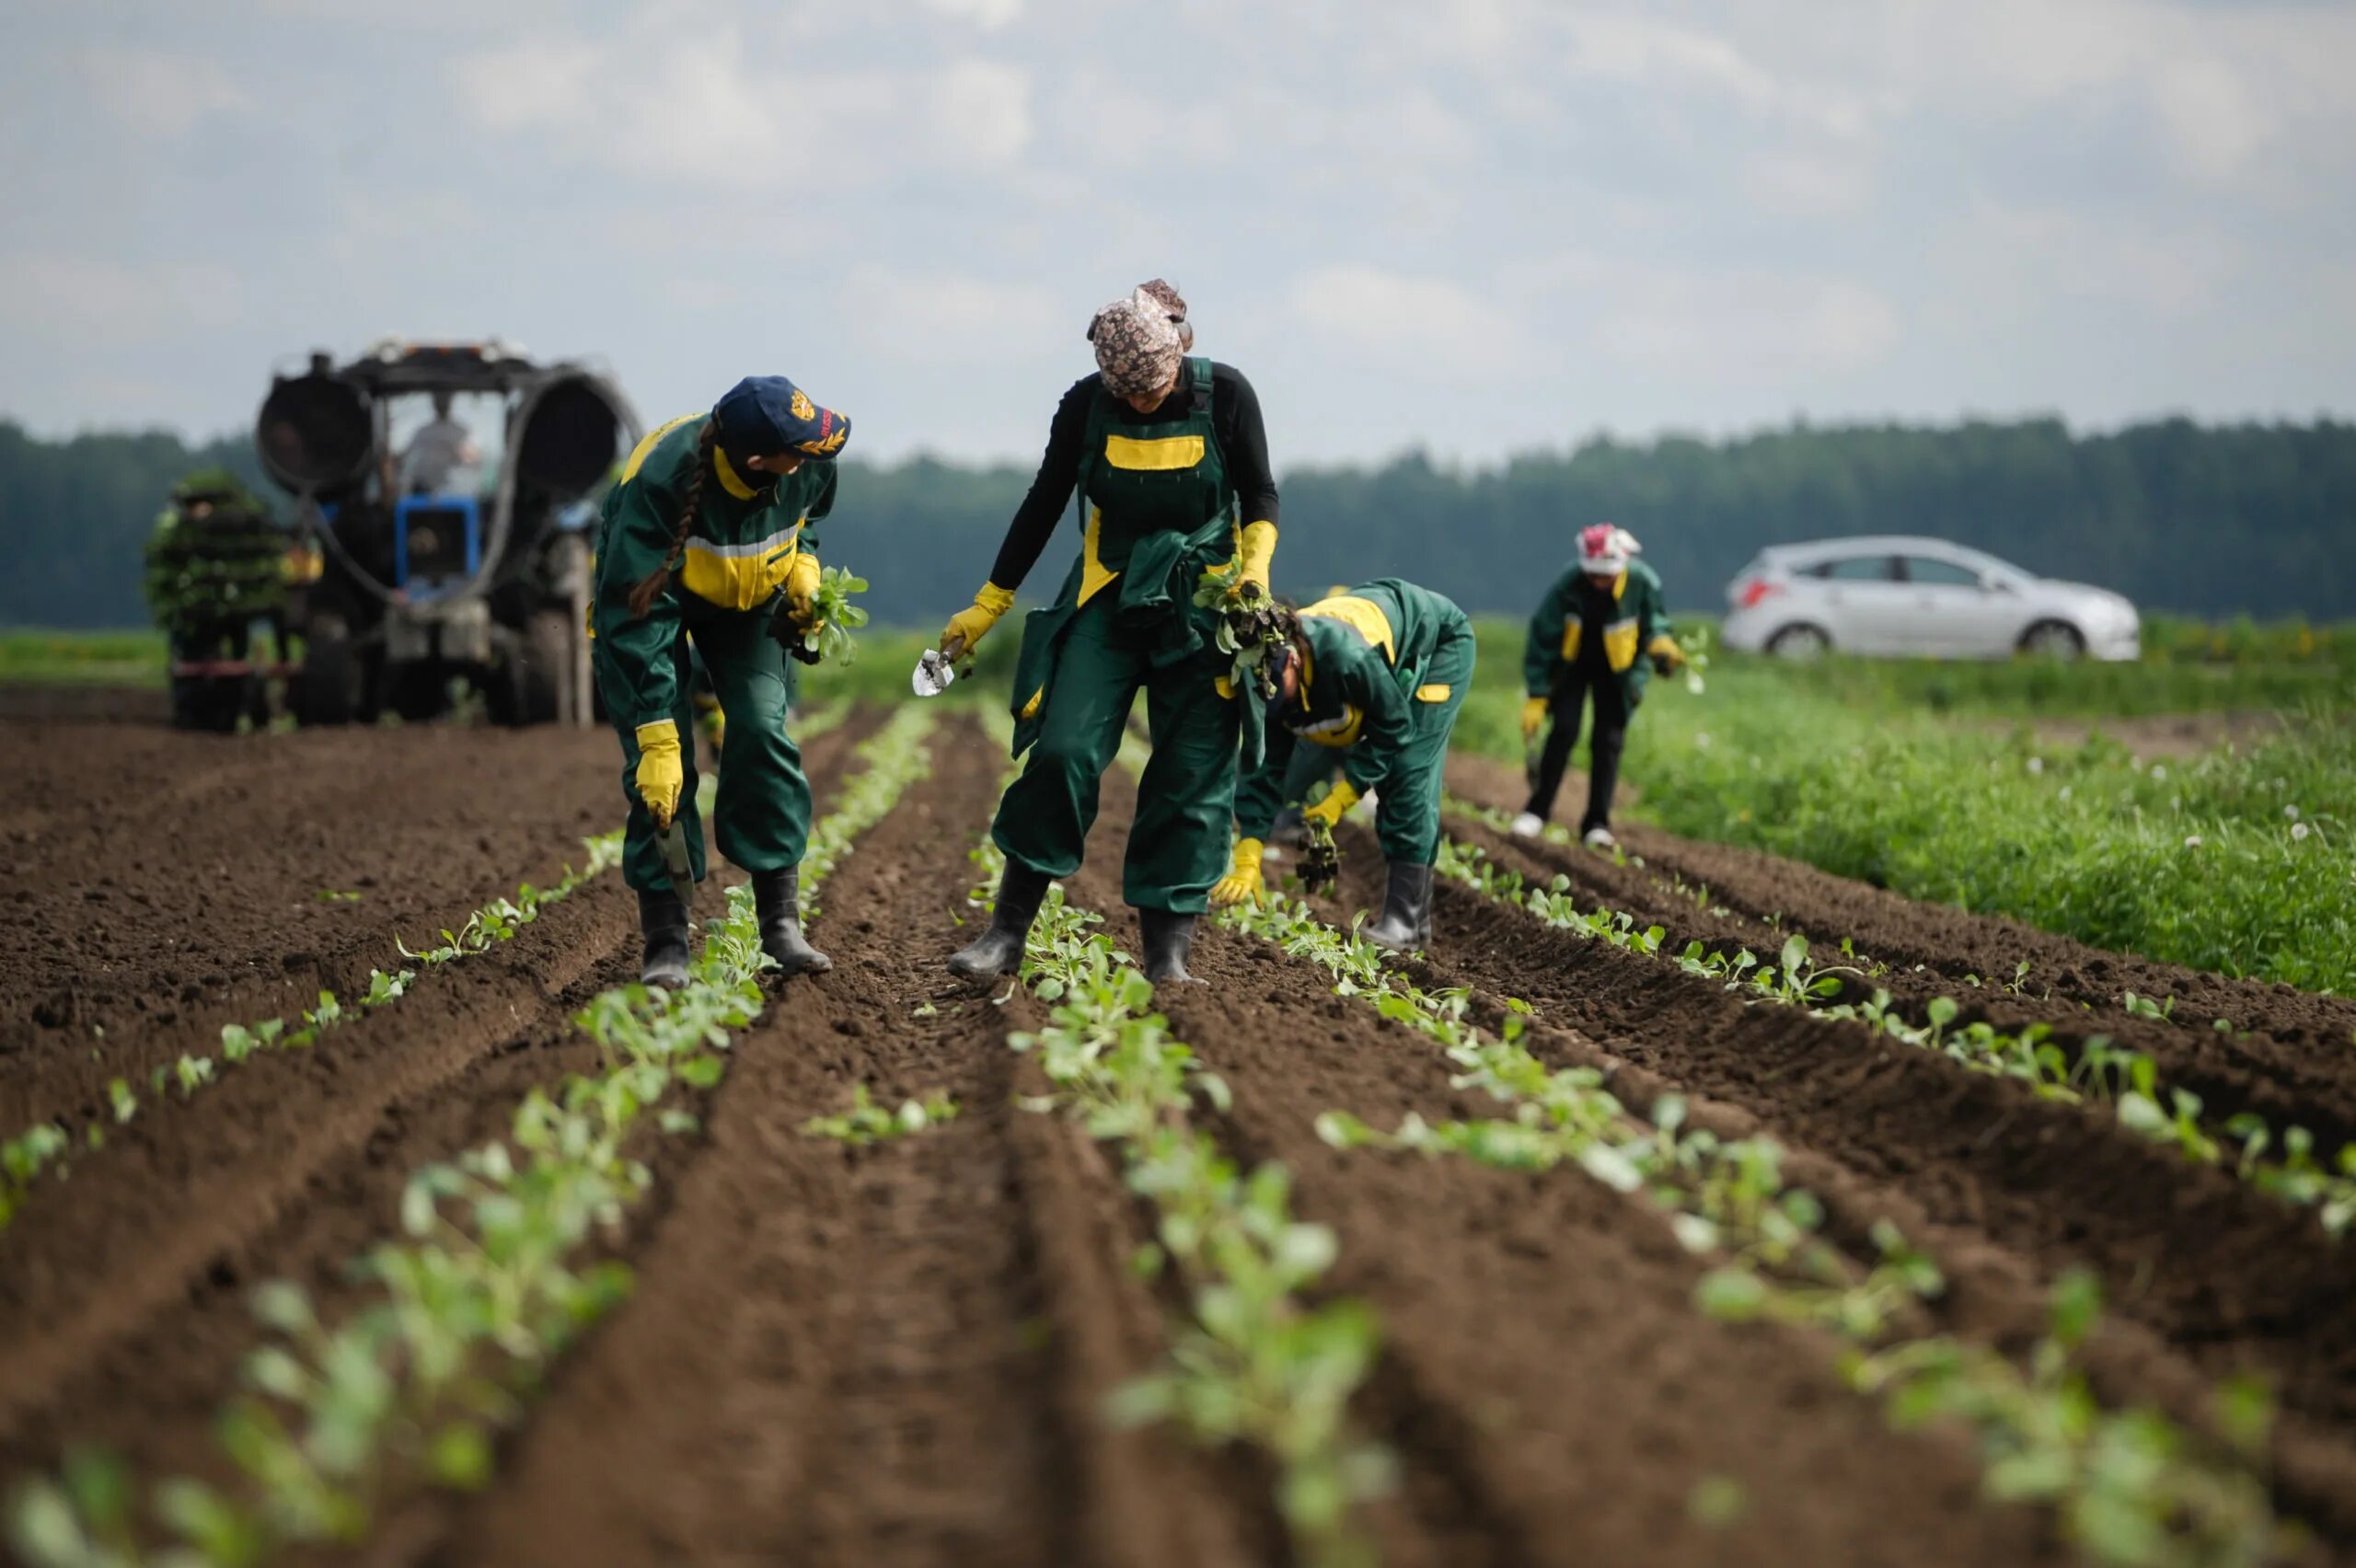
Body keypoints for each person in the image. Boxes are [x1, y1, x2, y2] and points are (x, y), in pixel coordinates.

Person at [943, 281, 1280, 984]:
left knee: (1189, 777)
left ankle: (1167, 959)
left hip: (1206, 605)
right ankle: (1006, 934)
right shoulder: (1084, 405)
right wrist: (989, 603)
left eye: (1152, 394)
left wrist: (1255, 573)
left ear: (1177, 354)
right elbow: (1043, 503)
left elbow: (1260, 493)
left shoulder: (1227, 395)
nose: (1141, 406)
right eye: (1127, 398)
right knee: (1064, 752)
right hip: (1109, 591)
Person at [593, 375, 851, 987]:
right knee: (663, 772)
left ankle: (780, 921)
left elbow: (804, 525)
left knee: (763, 733)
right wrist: (656, 739)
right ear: (759, 461)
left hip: (752, 603)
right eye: (801, 446)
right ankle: (667, 937)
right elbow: (636, 622)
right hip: (647, 612)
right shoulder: (658, 485)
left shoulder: (809, 465)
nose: (817, 451)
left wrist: (806, 573)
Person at [1214, 579, 1476, 950]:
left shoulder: (1346, 659)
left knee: (1407, 772)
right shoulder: (1269, 675)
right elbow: (1264, 766)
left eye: (1275, 686)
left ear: (1292, 659)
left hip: (1437, 643)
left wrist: (1343, 795)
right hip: (1379, 638)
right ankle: (1413, 925)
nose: (1269, 696)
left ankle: (1404, 921)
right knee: (1388, 770)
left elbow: (1393, 728)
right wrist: (1250, 847)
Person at [1514, 523, 1681, 847]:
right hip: (1572, 665)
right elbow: (1543, 636)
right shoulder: (1569, 583)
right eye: (1593, 575)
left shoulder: (1642, 582)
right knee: (1563, 729)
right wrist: (1537, 693)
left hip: (1618, 670)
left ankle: (1597, 823)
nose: (1599, 582)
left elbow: (1655, 623)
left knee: (1609, 740)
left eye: (1606, 576)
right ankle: (1537, 810)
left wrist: (1661, 645)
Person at [144, 467, 293, 731]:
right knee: (203, 651)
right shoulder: (182, 534)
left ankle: (227, 707)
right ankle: (204, 709)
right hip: (204, 619)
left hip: (223, 615)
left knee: (234, 650)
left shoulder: (225, 532)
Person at [399, 391, 481, 494]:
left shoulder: (462, 432)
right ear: (434, 403)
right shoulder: (423, 432)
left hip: (456, 491)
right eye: (439, 400)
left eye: (444, 399)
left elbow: (475, 460)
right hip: (422, 490)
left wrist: (458, 452)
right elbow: (406, 457)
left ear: (450, 402)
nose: (442, 403)